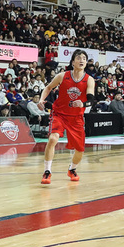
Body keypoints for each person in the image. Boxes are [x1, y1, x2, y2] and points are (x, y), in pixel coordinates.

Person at [37, 49, 95, 185]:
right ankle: (47, 171)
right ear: (73, 61)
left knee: (80, 150)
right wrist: (41, 100)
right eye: (79, 58)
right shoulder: (63, 76)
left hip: (76, 118)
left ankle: (72, 169)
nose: (82, 60)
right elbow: (48, 87)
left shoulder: (89, 80)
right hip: (59, 114)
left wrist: (83, 103)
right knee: (53, 139)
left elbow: (92, 99)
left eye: (84, 58)